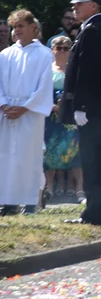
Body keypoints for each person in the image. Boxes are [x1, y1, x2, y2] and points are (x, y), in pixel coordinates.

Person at [61, 0, 101, 226]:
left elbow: (89, 70)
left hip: (93, 111)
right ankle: (95, 211)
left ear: (94, 6)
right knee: (94, 161)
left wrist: (82, 105)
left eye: (79, 3)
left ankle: (95, 213)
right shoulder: (94, 28)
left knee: (94, 161)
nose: (74, 7)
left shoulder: (94, 30)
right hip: (97, 110)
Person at [0, 11, 53, 213]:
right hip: (7, 113)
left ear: (33, 28)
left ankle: (31, 201)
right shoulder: (5, 55)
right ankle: (9, 201)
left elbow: (44, 86)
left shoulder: (44, 54)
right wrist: (4, 104)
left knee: (28, 156)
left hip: (29, 113)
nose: (17, 31)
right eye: (15, 27)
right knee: (6, 157)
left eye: (21, 26)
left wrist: (25, 107)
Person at [43, 36, 82, 202]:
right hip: (52, 116)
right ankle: (49, 187)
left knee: (75, 152)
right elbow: (42, 93)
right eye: (58, 48)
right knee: (51, 152)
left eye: (66, 48)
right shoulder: (47, 70)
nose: (62, 51)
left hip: (71, 116)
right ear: (52, 50)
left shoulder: (75, 69)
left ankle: (80, 189)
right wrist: (54, 107)